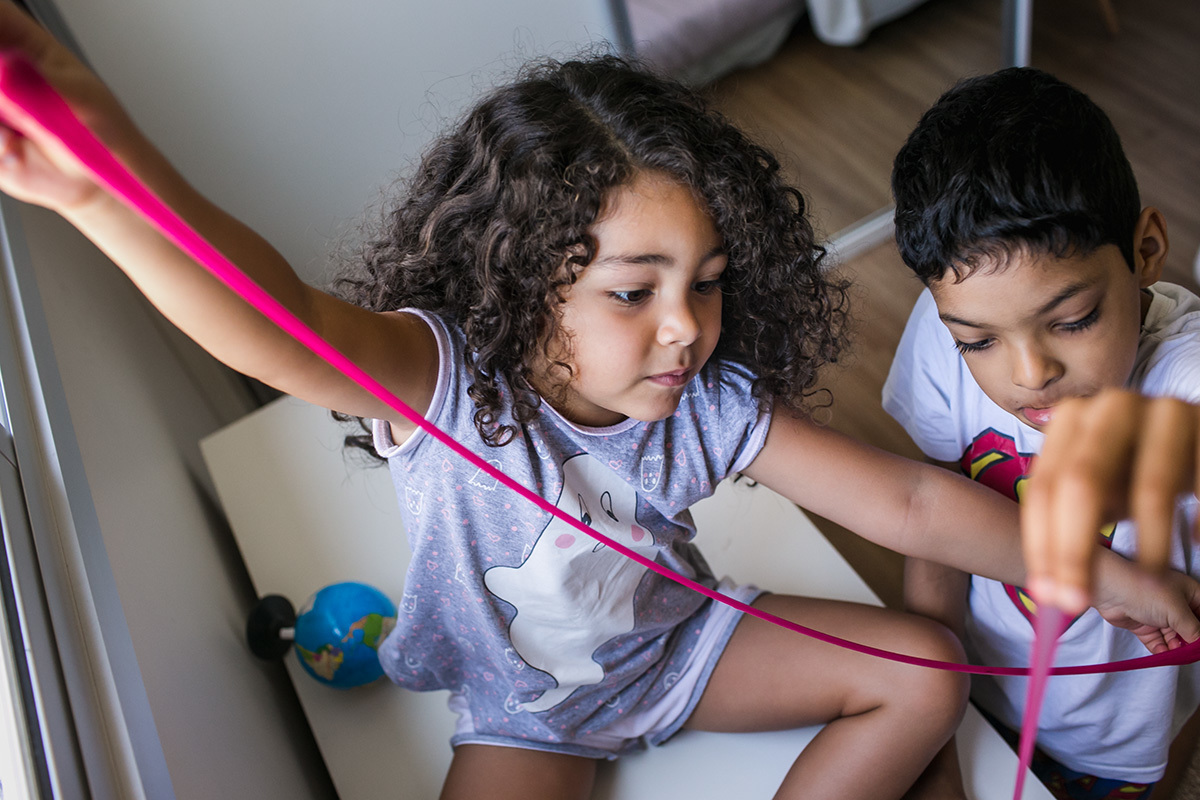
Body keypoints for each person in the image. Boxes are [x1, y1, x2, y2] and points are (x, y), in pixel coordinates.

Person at [0, 7, 1196, 799]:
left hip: (681, 651)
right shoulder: (448, 381)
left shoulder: (705, 399)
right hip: (525, 709)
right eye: (637, 291)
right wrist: (103, 183)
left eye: (709, 285)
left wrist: (1110, 570)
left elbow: (911, 503)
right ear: (521, 277)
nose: (686, 327)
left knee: (925, 666)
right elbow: (277, 322)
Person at [883, 66, 1200, 800]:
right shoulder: (943, 329)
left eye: (1073, 320)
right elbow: (930, 532)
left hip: (1117, 749)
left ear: (1146, 247)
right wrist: (935, 707)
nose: (1029, 374)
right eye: (978, 342)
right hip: (978, 694)